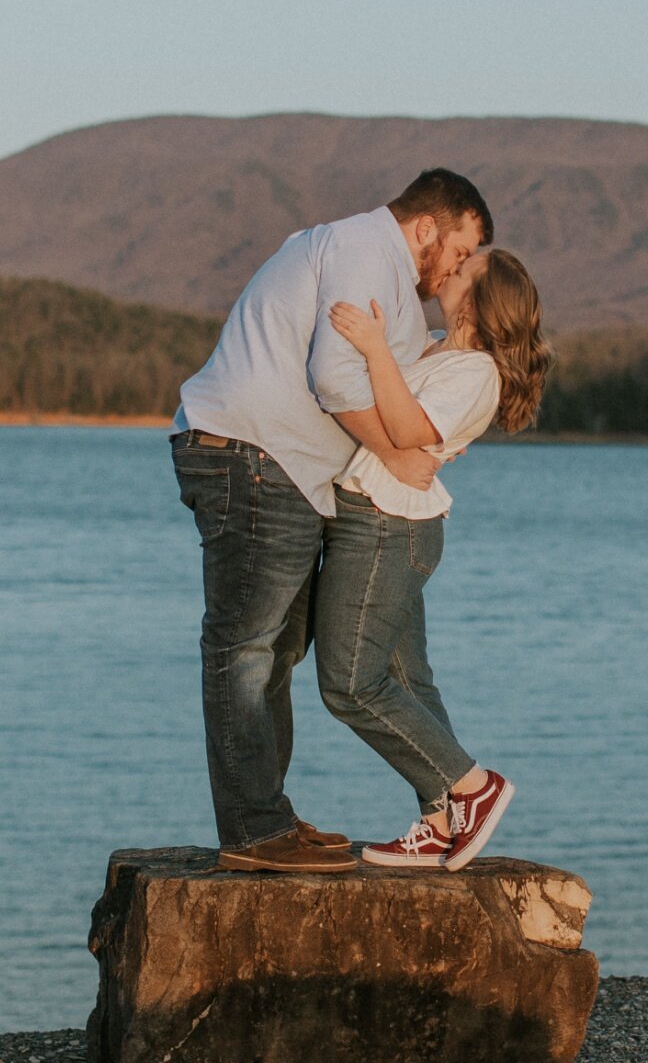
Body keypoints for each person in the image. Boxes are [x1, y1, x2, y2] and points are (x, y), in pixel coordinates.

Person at [169, 170, 491, 874]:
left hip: (281, 468)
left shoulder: (378, 267)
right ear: (431, 227)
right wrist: (397, 454)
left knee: (274, 650)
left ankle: (266, 819)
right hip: (253, 456)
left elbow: (402, 385)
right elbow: (337, 376)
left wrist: (440, 427)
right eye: (462, 249)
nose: (460, 266)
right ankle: (256, 830)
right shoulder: (365, 248)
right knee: (248, 647)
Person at [319, 246, 550, 869]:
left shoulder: (476, 371)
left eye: (464, 270)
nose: (449, 270)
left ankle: (473, 787)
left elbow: (407, 429)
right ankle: (442, 821)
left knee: (349, 684)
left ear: (478, 299)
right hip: (382, 519)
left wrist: (371, 348)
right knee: (407, 682)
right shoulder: (440, 349)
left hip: (387, 529)